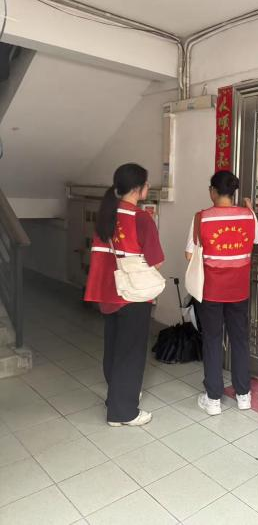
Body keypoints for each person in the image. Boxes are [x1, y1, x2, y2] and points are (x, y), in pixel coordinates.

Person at [85, 163, 164, 427]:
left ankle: (116, 398)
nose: (148, 187)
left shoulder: (106, 213)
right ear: (139, 188)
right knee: (131, 352)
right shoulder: (141, 218)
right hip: (133, 293)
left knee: (114, 346)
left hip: (107, 291)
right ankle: (124, 412)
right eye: (146, 183)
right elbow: (156, 261)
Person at [185, 170, 258, 415]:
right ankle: (243, 396)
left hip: (211, 291)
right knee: (240, 340)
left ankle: (213, 400)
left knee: (212, 340)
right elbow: (257, 239)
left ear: (213, 191)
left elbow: (189, 254)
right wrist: (251, 211)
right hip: (239, 290)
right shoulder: (248, 216)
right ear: (233, 192)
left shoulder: (201, 218)